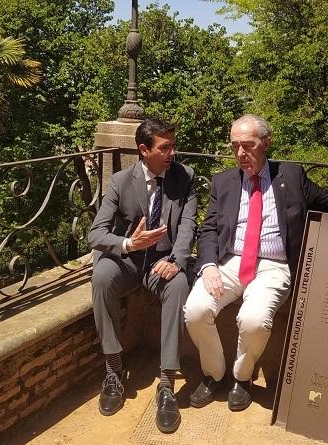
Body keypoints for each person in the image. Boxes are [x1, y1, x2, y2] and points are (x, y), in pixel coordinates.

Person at [184, 114, 328, 412]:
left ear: (266, 143)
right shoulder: (224, 181)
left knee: (254, 320)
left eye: (247, 145)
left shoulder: (291, 177)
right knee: (194, 310)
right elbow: (208, 228)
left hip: (274, 267)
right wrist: (208, 265)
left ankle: (241, 377)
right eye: (234, 146)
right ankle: (214, 373)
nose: (240, 154)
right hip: (231, 262)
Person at [89, 118, 197, 433]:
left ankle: (166, 384)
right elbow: (95, 235)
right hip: (129, 260)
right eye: (165, 148)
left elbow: (188, 224)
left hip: (163, 260)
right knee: (101, 277)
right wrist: (128, 243)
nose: (172, 153)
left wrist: (177, 259)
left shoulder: (184, 178)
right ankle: (113, 370)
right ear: (143, 150)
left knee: (178, 284)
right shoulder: (122, 181)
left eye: (173, 146)